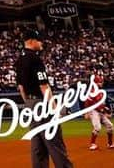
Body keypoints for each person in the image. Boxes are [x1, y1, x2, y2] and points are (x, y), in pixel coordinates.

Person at [15, 36, 74, 168]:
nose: (41, 43)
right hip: (42, 104)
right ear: (31, 41)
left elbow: (21, 88)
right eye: (39, 40)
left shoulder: (20, 60)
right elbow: (44, 86)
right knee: (54, 141)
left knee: (38, 145)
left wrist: (29, 103)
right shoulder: (35, 59)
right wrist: (54, 108)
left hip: (30, 103)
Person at [85, 74, 114, 152]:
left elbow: (102, 104)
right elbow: (89, 103)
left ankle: (110, 143)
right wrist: (86, 112)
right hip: (94, 111)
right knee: (97, 127)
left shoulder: (100, 92)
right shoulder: (92, 92)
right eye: (100, 82)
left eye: (101, 82)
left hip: (100, 111)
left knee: (110, 126)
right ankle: (93, 144)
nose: (101, 83)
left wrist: (107, 110)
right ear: (95, 83)